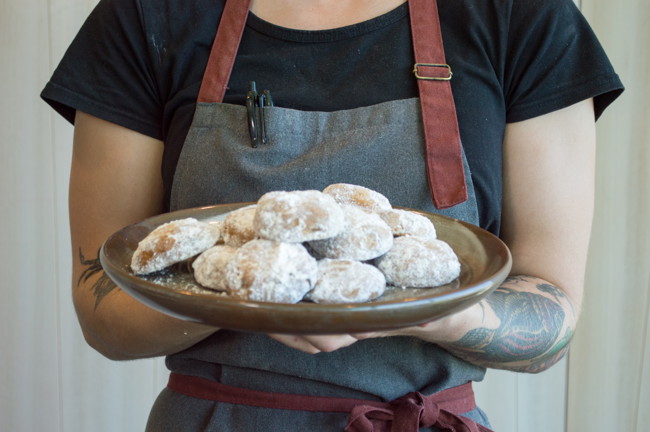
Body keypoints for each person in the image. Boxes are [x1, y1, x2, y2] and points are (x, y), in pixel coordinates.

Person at [42, 0, 623, 430]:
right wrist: (245, 298)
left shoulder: (524, 17)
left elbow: (552, 320)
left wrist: (420, 312)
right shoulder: (144, 16)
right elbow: (103, 307)